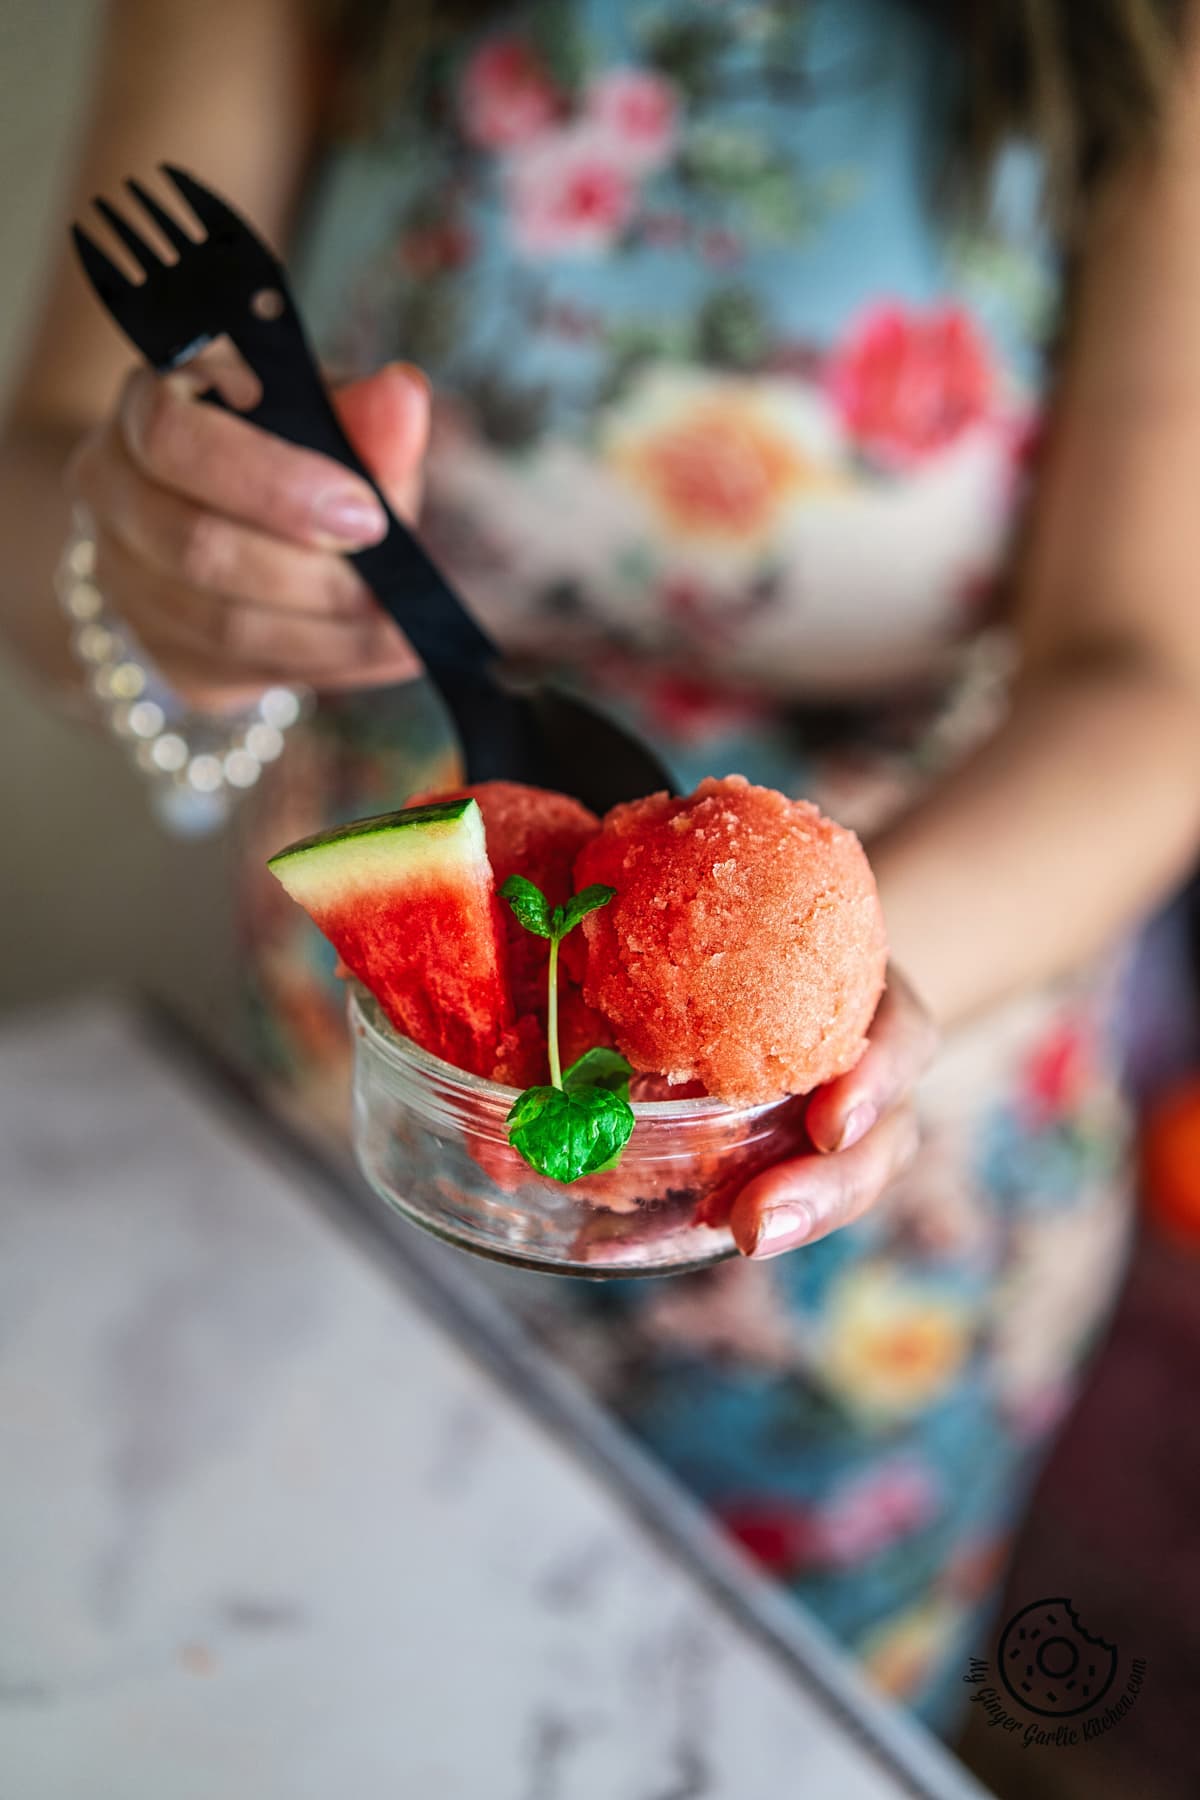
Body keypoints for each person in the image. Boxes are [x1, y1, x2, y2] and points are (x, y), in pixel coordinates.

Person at [5, 0, 1200, 1733]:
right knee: (315, 1696)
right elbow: (36, 489)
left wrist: (852, 1003)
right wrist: (147, 562)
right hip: (366, 1108)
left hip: (874, 1207)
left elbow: (1156, 677)